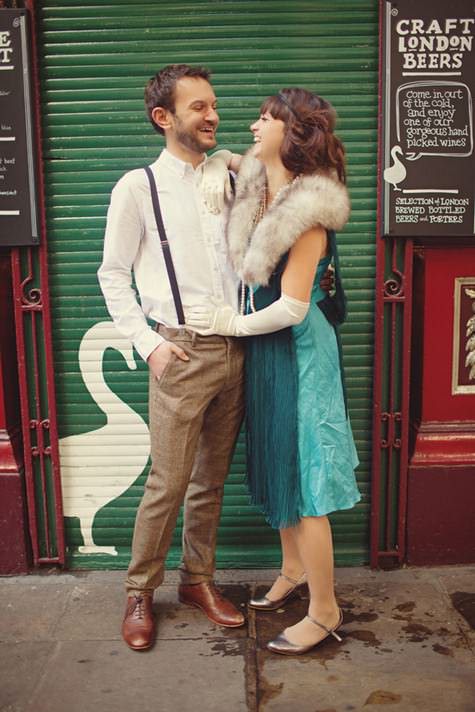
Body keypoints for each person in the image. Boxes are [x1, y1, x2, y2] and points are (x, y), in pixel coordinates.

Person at [186, 88, 361, 655]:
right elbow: (227, 155)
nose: (254, 125)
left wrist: (227, 325)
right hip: (270, 348)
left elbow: (292, 307)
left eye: (267, 118)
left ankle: (326, 609)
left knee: (306, 481)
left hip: (300, 355)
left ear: (294, 135)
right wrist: (213, 157)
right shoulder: (266, 188)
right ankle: (294, 569)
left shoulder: (306, 212)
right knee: (280, 462)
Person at [98, 64, 248, 650]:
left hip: (237, 348)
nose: (212, 115)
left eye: (214, 105)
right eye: (198, 108)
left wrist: (242, 164)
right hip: (180, 352)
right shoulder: (138, 187)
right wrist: (151, 345)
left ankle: (198, 581)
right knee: (168, 482)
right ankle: (140, 590)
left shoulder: (228, 178)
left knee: (210, 482)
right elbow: (112, 275)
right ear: (164, 118)